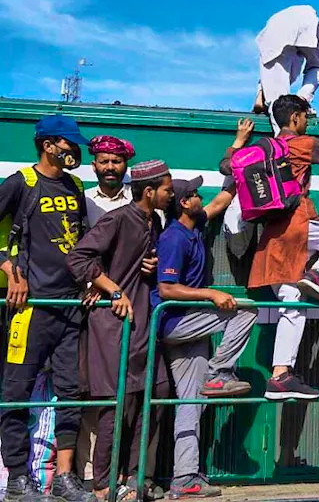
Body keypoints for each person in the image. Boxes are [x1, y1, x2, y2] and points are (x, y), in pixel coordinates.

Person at [220, 95, 319, 401]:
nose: (307, 122)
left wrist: (237, 141)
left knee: (292, 303)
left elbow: (226, 166)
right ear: (295, 117)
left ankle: (280, 376)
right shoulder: (304, 144)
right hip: (299, 224)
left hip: (271, 238)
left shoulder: (260, 148)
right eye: (305, 117)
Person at [67, 159, 175, 501]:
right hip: (113, 327)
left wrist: (148, 264)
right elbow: (78, 258)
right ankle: (103, 486)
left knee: (149, 400)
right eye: (167, 190)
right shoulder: (118, 218)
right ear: (149, 191)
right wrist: (112, 289)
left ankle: (131, 476)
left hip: (141, 324)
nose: (171, 196)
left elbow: (128, 261)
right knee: (114, 407)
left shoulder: (152, 221)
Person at [0, 115, 95, 502]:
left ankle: (65, 478)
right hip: (31, 307)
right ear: (49, 144)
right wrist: (11, 271)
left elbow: (84, 242)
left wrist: (91, 279)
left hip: (70, 306)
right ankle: (18, 480)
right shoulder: (21, 182)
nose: (75, 151)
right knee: (16, 392)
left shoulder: (74, 185)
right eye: (70, 144)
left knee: (71, 392)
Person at [154, 170, 258, 499]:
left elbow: (221, 200)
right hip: (176, 321)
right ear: (184, 203)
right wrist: (211, 294)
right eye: (195, 194)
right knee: (246, 309)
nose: (202, 197)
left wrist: (239, 160)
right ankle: (220, 371)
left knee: (191, 401)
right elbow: (167, 288)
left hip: (190, 324)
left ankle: (184, 479)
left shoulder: (194, 224)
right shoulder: (173, 237)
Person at [253, 5, 319, 127]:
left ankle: (267, 97)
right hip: (306, 21)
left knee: (276, 99)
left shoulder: (286, 21)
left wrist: (260, 91)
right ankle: (301, 99)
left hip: (274, 27)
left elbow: (266, 66)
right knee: (316, 66)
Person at [83, 136, 136, 227]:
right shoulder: (85, 199)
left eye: (116, 162)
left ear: (126, 165)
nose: (110, 167)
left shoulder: (137, 198)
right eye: (104, 162)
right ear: (94, 166)